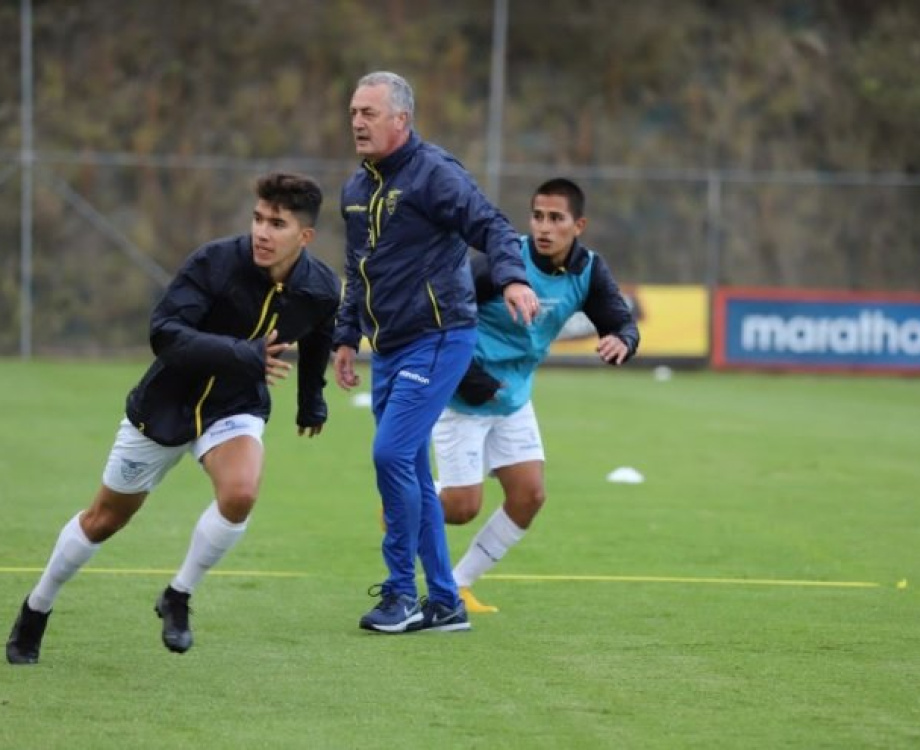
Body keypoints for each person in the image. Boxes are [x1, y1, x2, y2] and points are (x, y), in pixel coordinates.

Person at [5, 172, 342, 664]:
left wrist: (312, 399)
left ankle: (178, 595)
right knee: (104, 520)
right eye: (258, 219)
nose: (262, 232)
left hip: (234, 405)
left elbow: (318, 335)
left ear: (305, 236)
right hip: (165, 404)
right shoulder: (215, 262)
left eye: (277, 224)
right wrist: (242, 354)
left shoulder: (321, 287)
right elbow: (164, 333)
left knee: (240, 494)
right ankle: (37, 607)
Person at [332, 71, 539, 634]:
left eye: (369, 113)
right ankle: (445, 602)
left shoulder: (434, 173)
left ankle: (401, 593)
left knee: (391, 455)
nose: (357, 122)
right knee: (414, 471)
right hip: (388, 347)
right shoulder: (355, 190)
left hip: (441, 335)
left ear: (401, 119)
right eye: (353, 112)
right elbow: (356, 269)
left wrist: (513, 278)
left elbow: (492, 226)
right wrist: (345, 336)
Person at [432, 177, 640, 613]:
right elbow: (443, 318)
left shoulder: (588, 270)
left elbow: (620, 321)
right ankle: (405, 499)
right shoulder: (503, 261)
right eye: (537, 216)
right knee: (462, 508)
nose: (544, 227)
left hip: (513, 399)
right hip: (462, 397)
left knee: (529, 496)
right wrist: (472, 380)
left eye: (556, 218)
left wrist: (622, 340)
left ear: (578, 225)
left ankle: (458, 584)